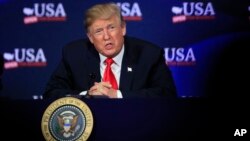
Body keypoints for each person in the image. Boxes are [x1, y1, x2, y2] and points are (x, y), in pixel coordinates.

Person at [43, 2, 177, 99]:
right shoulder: (74, 54)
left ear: (123, 28)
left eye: (111, 27)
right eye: (98, 31)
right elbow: (51, 93)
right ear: (90, 37)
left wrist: (117, 95)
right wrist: (87, 95)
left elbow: (167, 94)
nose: (106, 36)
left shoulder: (149, 54)